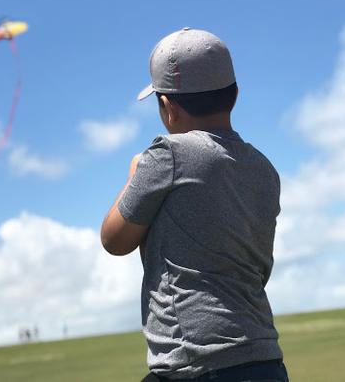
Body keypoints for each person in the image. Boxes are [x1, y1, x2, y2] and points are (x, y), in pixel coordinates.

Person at [101, 28, 289, 381]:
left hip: (195, 363)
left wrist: (134, 176)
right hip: (266, 361)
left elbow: (114, 240)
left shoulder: (167, 155)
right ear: (234, 95)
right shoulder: (264, 169)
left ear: (168, 107)